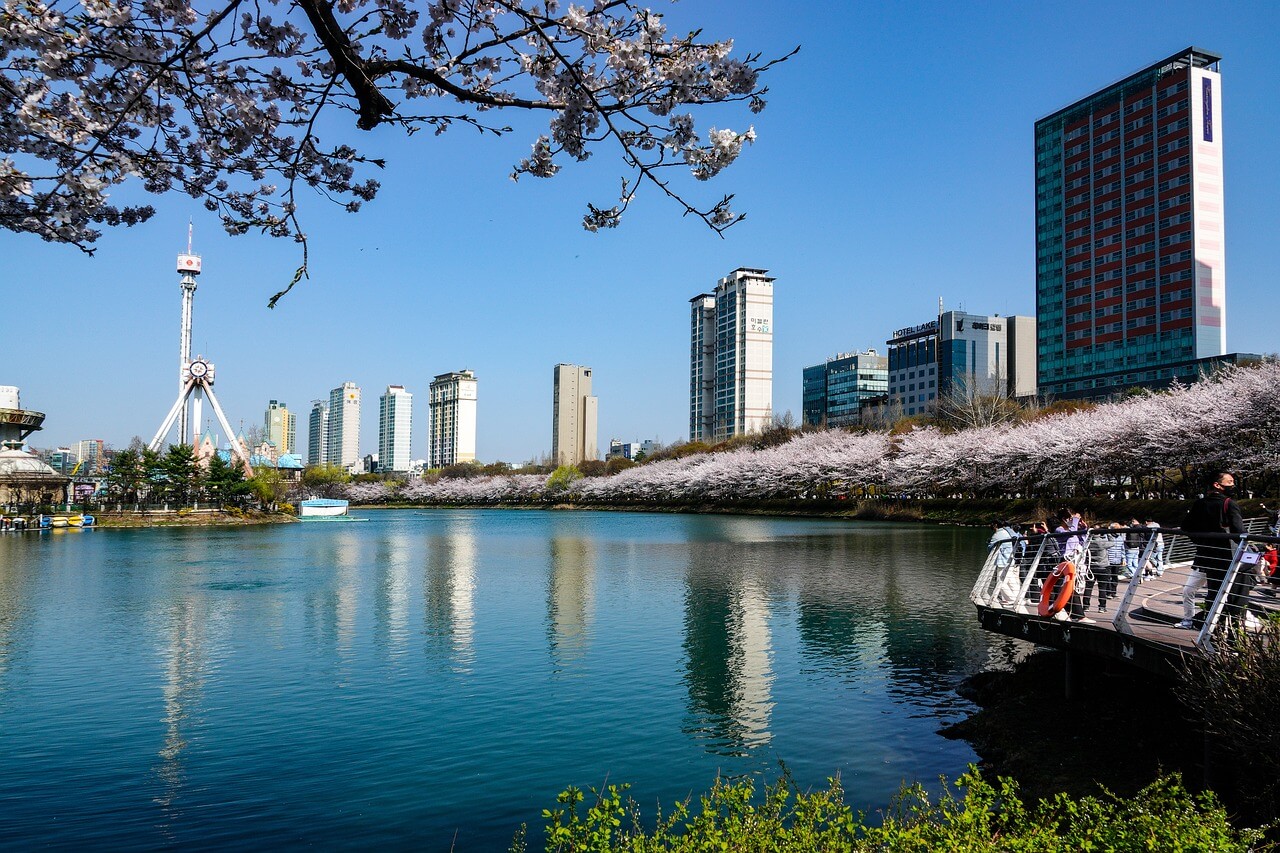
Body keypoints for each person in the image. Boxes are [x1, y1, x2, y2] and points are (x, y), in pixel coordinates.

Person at [1181, 472, 1245, 630]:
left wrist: (1201, 541)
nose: (1232, 485)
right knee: (1228, 593)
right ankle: (1227, 630)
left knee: (1204, 592)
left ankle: (1204, 626)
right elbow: (1239, 532)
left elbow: (1186, 527)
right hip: (1225, 556)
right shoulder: (1229, 503)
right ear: (1217, 485)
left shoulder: (1199, 504)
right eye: (1229, 482)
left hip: (1205, 555)